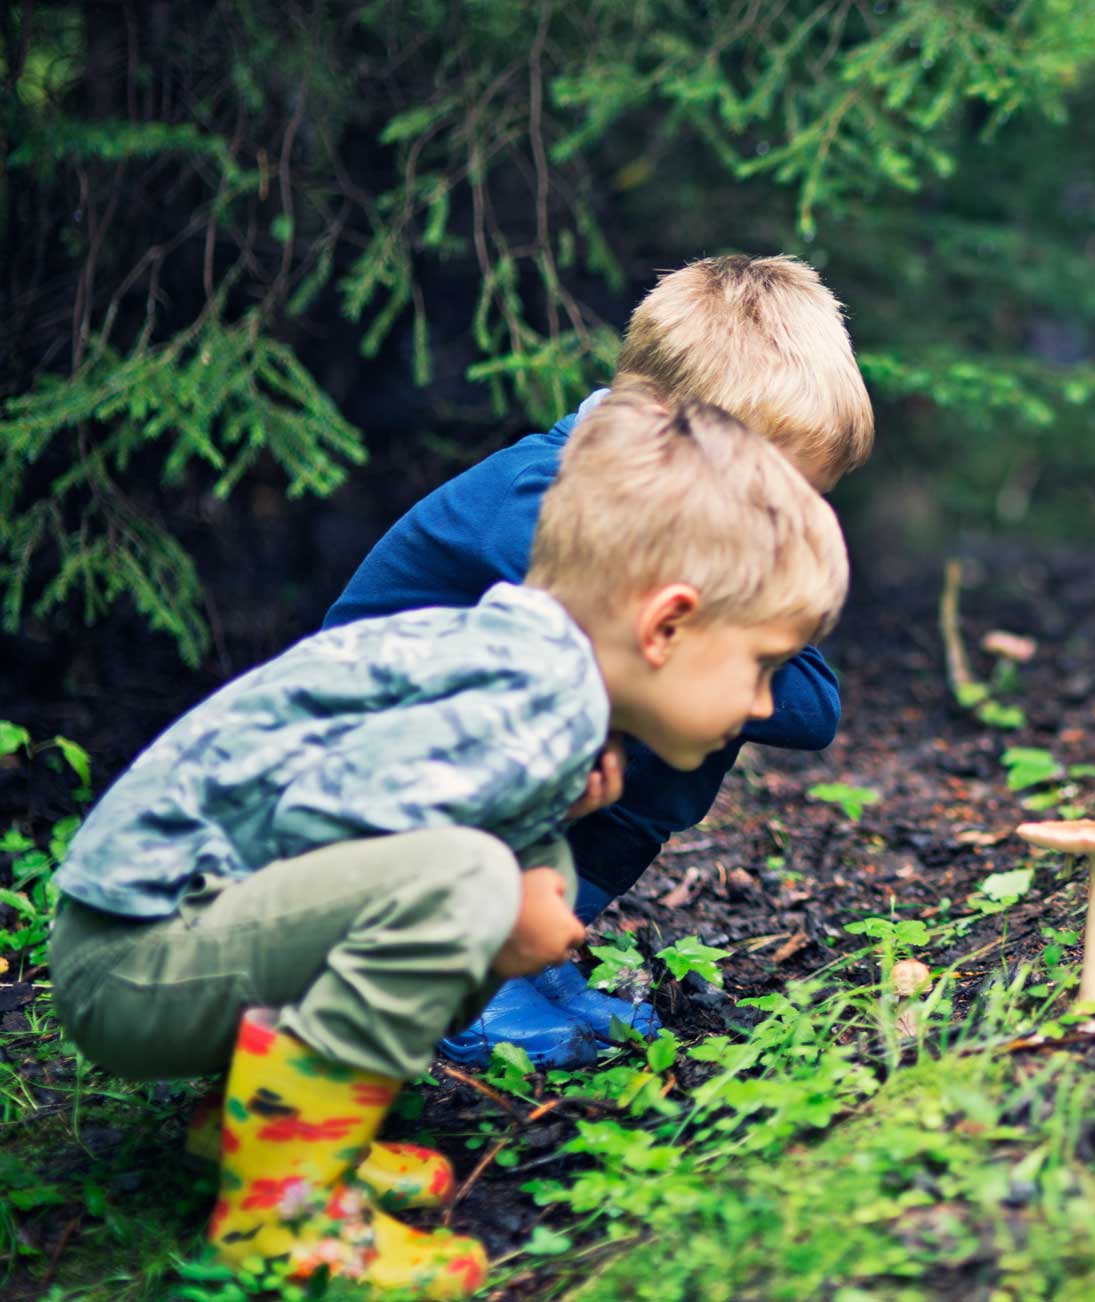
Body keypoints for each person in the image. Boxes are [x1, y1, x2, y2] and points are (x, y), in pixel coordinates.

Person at [47, 390, 849, 1295]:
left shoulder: (531, 673)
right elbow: (321, 825)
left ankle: (255, 1124)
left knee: (509, 872)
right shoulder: (527, 699)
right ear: (665, 625)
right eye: (761, 666)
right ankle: (283, 1217)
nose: (764, 706)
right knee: (473, 884)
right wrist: (503, 889)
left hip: (174, 941)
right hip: (131, 963)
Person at [325, 253, 873, 1068]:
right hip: (348, 789)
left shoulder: (671, 532)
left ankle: (518, 950)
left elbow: (810, 707)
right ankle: (449, 971)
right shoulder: (543, 503)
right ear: (664, 431)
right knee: (629, 681)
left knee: (691, 709)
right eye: (768, 498)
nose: (779, 529)